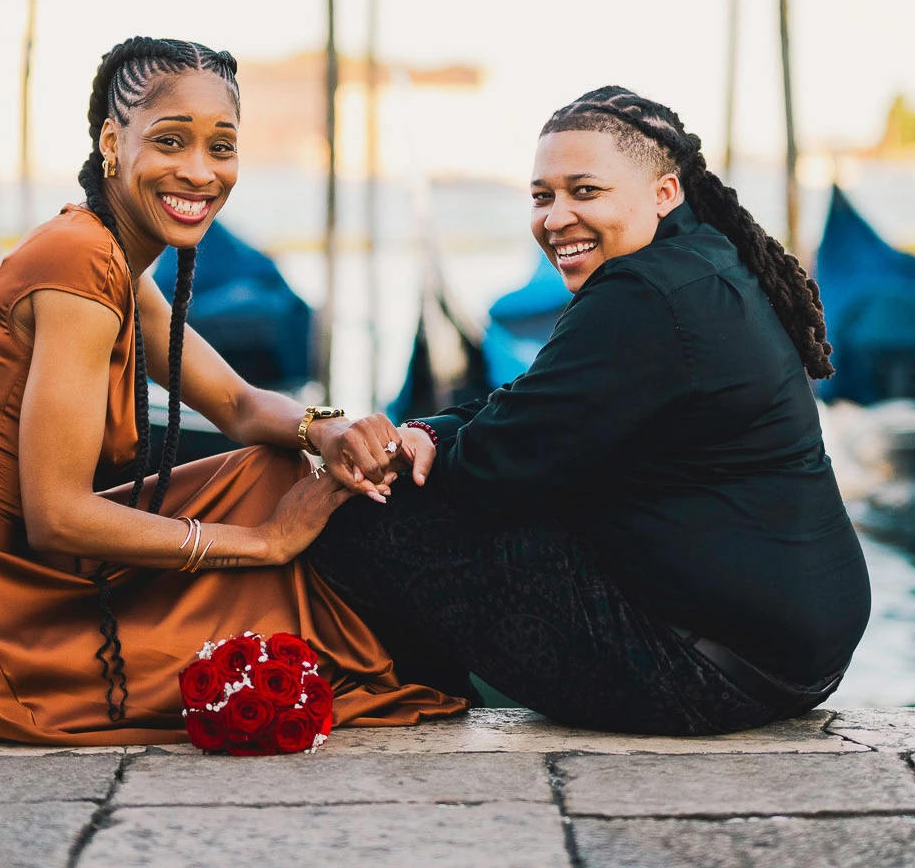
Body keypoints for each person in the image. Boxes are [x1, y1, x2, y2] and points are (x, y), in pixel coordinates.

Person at [0, 37, 464, 743]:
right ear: (113, 142)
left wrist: (325, 428)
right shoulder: (80, 261)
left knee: (271, 461)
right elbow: (56, 515)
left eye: (222, 147)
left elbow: (235, 404)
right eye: (171, 141)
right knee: (286, 554)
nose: (199, 172)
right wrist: (263, 543)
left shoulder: (113, 259)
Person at [308, 86, 870, 735]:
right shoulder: (707, 261)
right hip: (802, 661)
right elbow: (538, 405)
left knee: (366, 508)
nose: (555, 218)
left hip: (711, 676)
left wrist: (413, 450)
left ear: (664, 193)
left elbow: (496, 465)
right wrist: (431, 428)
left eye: (585, 191)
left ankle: (416, 704)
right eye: (542, 196)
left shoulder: (642, 295)